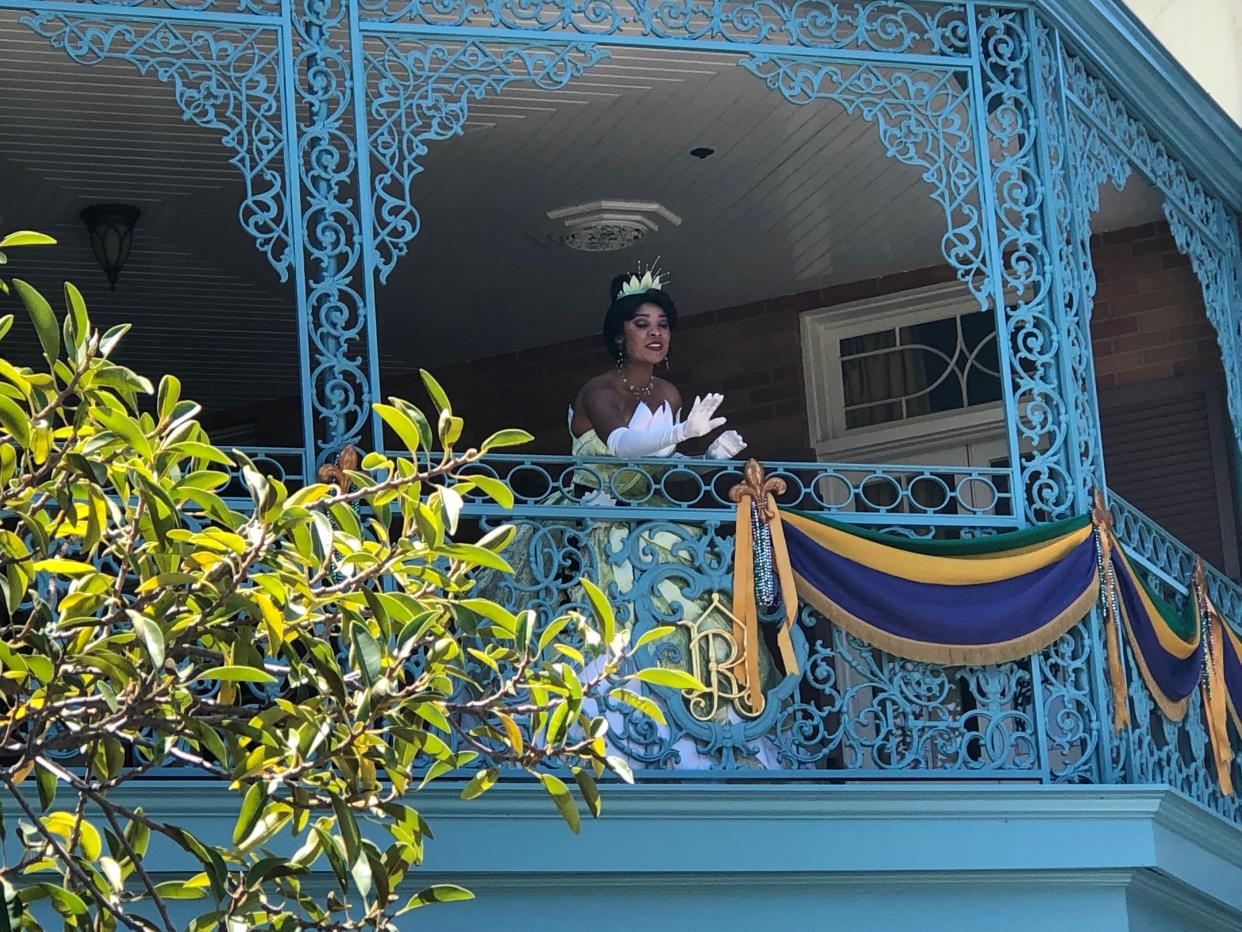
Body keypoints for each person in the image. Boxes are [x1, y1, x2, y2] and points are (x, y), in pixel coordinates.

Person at [479, 268, 780, 768]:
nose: (655, 333)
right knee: (609, 617)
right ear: (621, 334)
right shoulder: (598, 390)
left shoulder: (667, 392)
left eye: (663, 324)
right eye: (642, 323)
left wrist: (711, 457)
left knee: (696, 608)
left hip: (653, 523)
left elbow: (658, 474)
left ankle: (706, 736)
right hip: (595, 523)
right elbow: (623, 447)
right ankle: (608, 734)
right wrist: (684, 431)